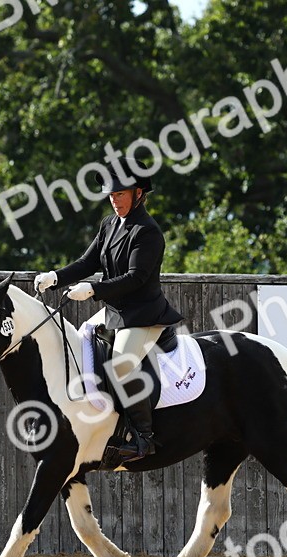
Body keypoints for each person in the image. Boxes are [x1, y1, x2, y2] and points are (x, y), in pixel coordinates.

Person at [34, 160, 182, 461]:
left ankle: (143, 438)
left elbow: (136, 278)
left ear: (139, 193)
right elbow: (88, 263)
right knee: (82, 343)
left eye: (121, 194)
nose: (114, 200)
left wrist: (93, 290)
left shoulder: (148, 232)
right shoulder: (110, 224)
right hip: (116, 312)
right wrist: (56, 277)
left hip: (143, 315)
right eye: (111, 195)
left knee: (121, 366)